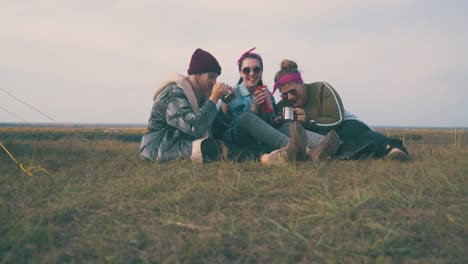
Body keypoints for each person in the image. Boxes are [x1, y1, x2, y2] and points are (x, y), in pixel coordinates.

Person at [139, 48, 305, 164]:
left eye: (216, 77)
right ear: (196, 74)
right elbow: (194, 128)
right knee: (213, 148)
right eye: (211, 76)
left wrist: (223, 104)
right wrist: (214, 99)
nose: (214, 82)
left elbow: (214, 130)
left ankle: (302, 150)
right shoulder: (173, 92)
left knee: (214, 147)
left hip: (179, 142)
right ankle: (271, 158)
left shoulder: (198, 96)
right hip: (160, 147)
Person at [219, 48, 340, 165]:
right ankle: (304, 150)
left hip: (262, 141)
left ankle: (324, 144)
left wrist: (276, 118)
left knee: (286, 125)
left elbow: (270, 127)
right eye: (246, 70)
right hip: (238, 141)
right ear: (240, 73)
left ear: (261, 72)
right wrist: (254, 108)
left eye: (256, 69)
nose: (252, 74)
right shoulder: (232, 93)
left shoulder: (268, 95)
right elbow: (223, 126)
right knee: (246, 117)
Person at [273, 59, 410, 161]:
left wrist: (308, 119)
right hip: (324, 138)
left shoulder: (322, 89)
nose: (289, 97)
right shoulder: (283, 105)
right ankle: (368, 153)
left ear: (301, 83)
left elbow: (337, 119)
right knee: (344, 148)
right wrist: (278, 120)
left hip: (343, 124)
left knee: (357, 134)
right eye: (284, 94)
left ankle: (393, 148)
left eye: (293, 92)